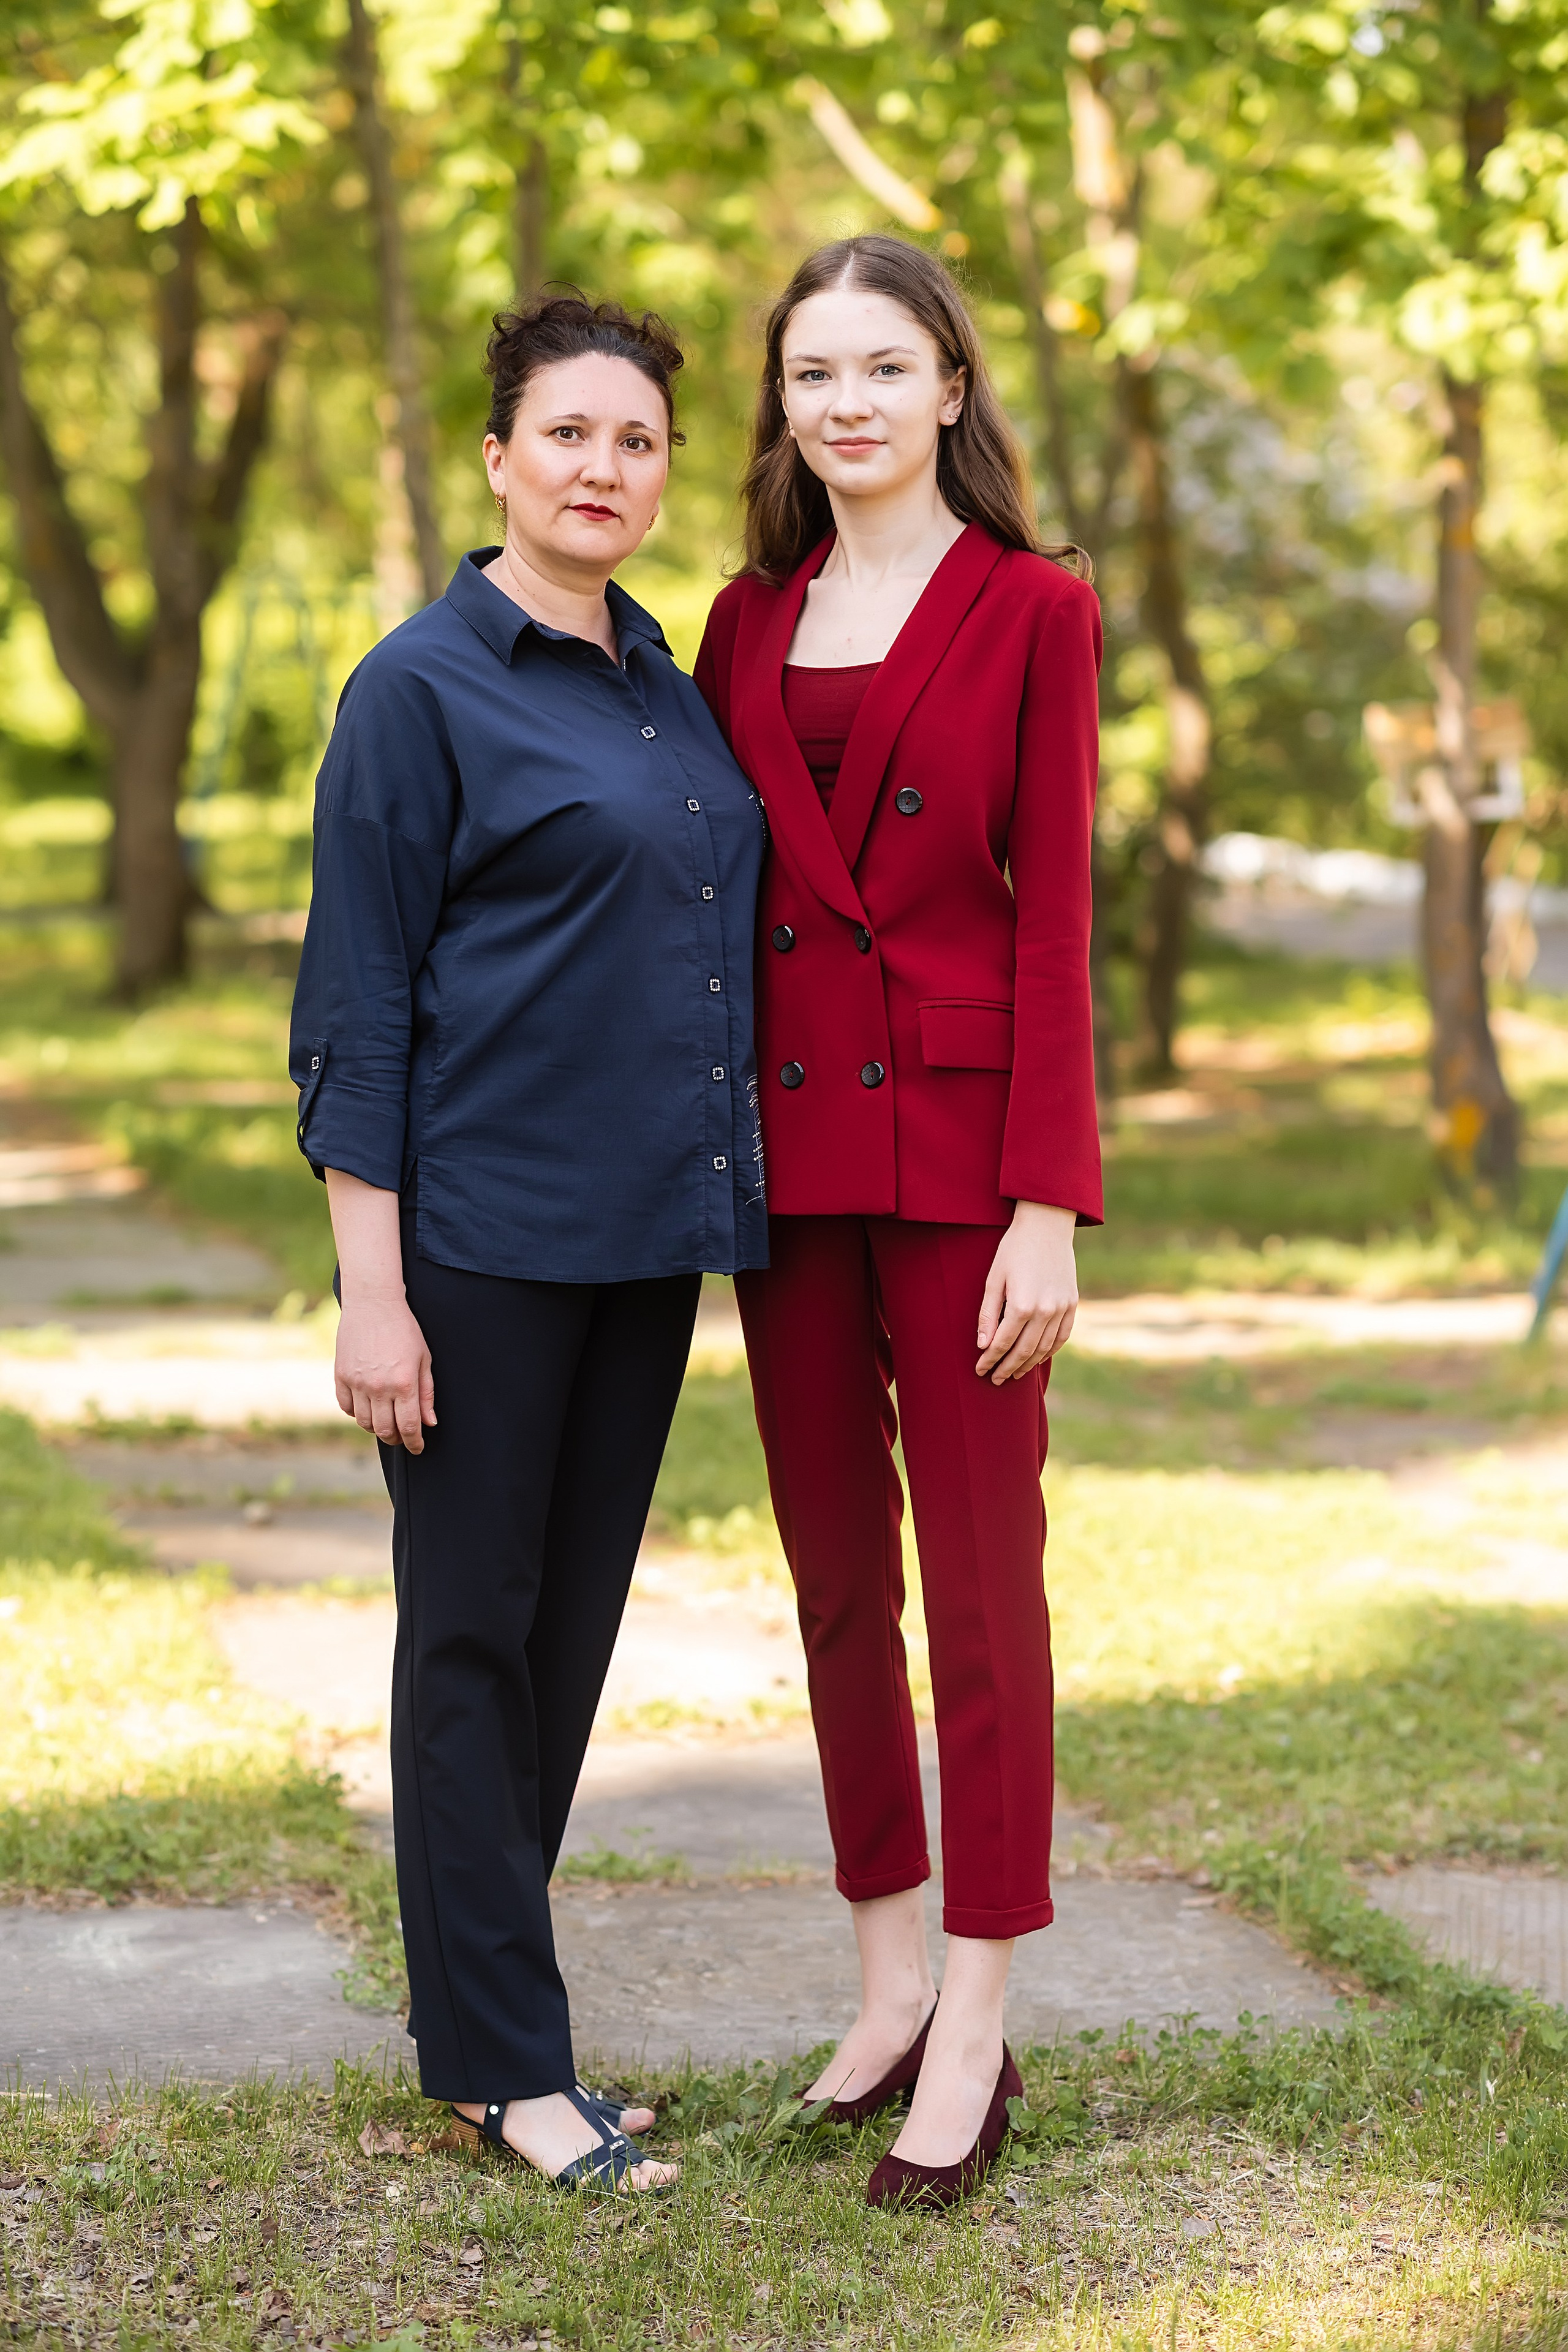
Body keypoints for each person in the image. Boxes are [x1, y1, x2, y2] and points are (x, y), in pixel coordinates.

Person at [289, 292, 766, 2193]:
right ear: (499, 457)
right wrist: (373, 1292)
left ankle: (489, 2029)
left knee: (561, 1643)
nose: (605, 468)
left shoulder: (665, 681)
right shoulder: (419, 686)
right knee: (471, 1640)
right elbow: (359, 1002)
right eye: (570, 433)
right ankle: (504, 2063)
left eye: (640, 442)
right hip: (479, 1246)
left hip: (645, 1242)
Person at [694, 235, 1101, 2209]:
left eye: (882, 366)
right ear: (784, 412)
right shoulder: (740, 620)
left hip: (958, 1173)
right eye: (810, 375)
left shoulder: (1034, 609)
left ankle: (981, 2012)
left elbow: (1060, 921)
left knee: (987, 1597)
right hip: (785, 1171)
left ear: (950, 386)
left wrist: (1048, 1200)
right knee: (840, 1582)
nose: (844, 403)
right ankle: (881, 1986)